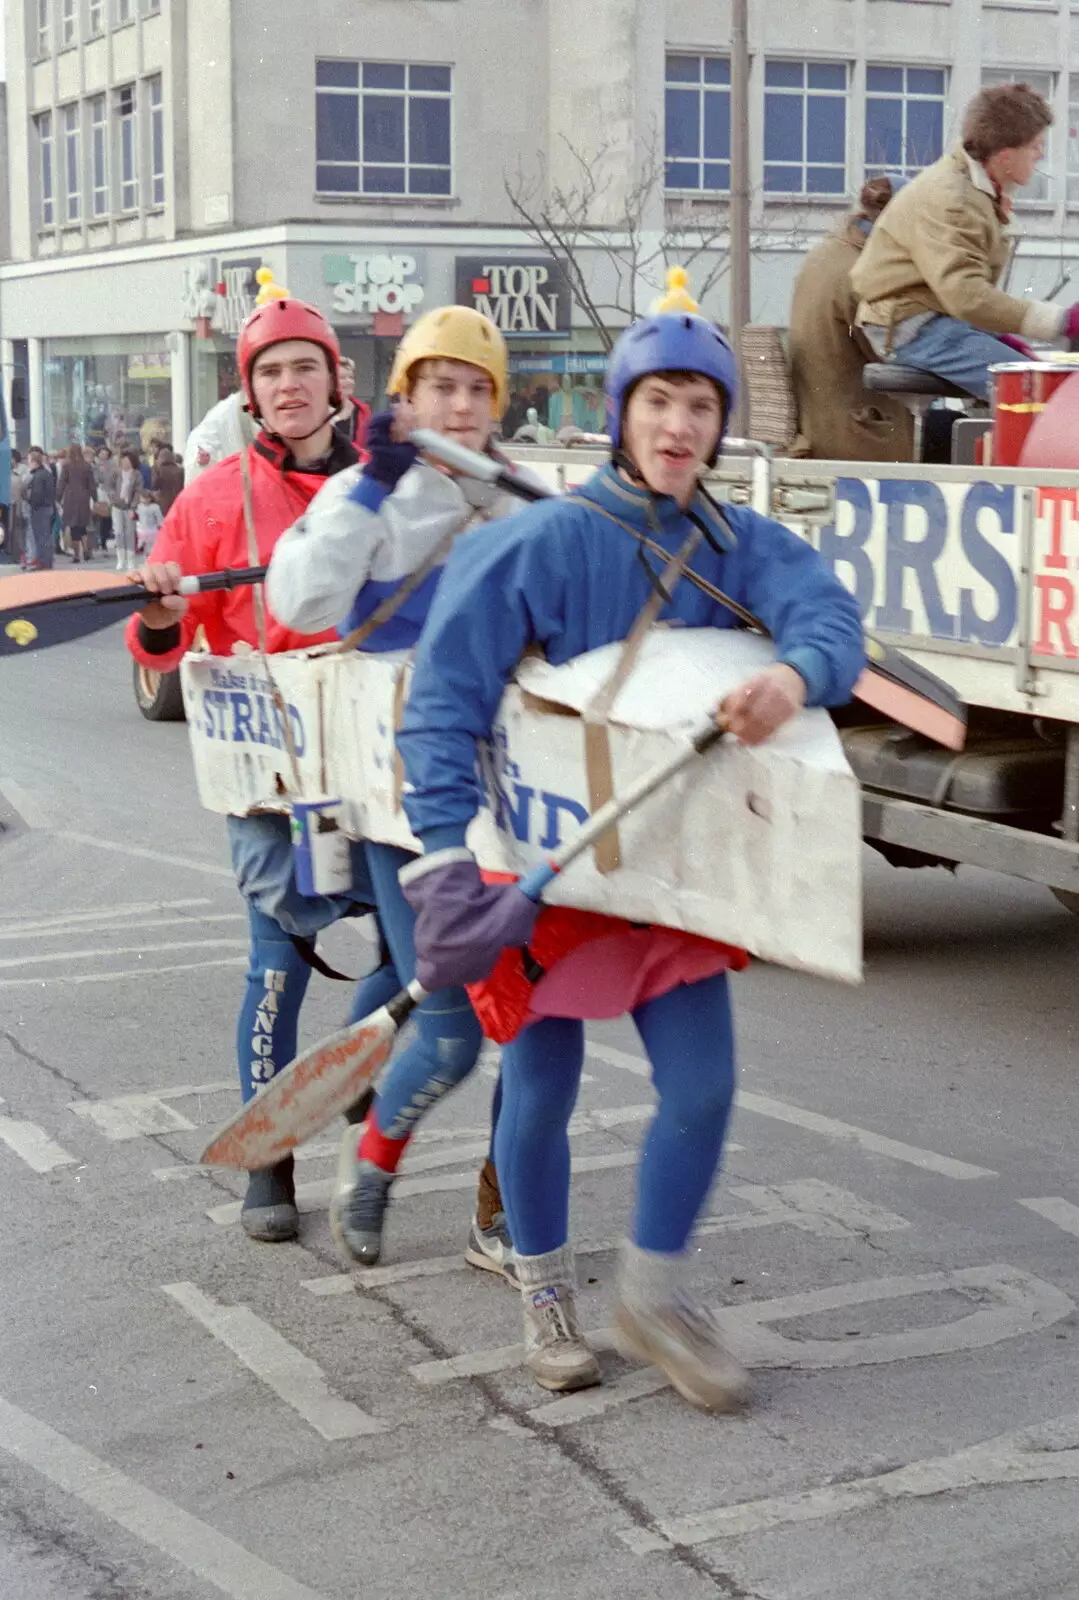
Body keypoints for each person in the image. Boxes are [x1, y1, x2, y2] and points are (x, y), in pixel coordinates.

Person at [394, 277, 865, 1406]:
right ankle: (542, 1287)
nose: (678, 427)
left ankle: (651, 1295)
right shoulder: (541, 542)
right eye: (658, 400)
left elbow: (830, 618)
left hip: (665, 868)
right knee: (540, 1088)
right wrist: (445, 855)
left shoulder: (735, 541)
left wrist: (793, 670)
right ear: (620, 411)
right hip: (545, 866)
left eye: (701, 406)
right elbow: (443, 701)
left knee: (702, 1087)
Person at [125, 279, 396, 1244]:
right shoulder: (207, 499)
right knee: (274, 965)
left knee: (421, 959)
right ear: (250, 393)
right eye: (271, 372)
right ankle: (266, 1161)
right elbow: (156, 644)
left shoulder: (394, 483)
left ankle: (355, 1065)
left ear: (337, 381)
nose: (289, 386)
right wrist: (160, 607)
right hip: (275, 772)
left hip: (382, 761)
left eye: (304, 369)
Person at [267, 304, 535, 1278]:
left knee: (534, 1030)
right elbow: (297, 602)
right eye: (441, 387)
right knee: (456, 1032)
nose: (458, 408)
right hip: (398, 799)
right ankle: (370, 1157)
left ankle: (506, 1209)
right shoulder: (361, 489)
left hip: (515, 806)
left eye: (476, 390)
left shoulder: (521, 504)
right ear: (406, 395)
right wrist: (372, 486)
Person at [852, 82, 1079, 401]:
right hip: (916, 327)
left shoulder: (973, 185)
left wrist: (998, 334)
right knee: (1038, 396)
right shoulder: (953, 198)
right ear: (1004, 157)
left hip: (931, 318)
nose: (1041, 155)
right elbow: (966, 295)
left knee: (1033, 384)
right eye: (1035, 146)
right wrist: (1060, 321)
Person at [789, 176, 915, 461]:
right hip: (859, 438)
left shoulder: (828, 254)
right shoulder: (866, 275)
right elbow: (901, 357)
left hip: (818, 425)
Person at [58, 442, 98, 563]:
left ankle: (76, 555)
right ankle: (86, 551)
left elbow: (61, 483)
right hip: (84, 497)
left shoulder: (66, 466)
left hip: (71, 497)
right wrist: (95, 498)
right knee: (83, 526)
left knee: (74, 526)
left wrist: (57, 498)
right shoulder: (86, 465)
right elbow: (92, 484)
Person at [107, 449, 141, 571]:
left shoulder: (136, 474)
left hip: (129, 507)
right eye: (123, 461)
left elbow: (138, 491)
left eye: (127, 461)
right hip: (117, 506)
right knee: (118, 532)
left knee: (130, 533)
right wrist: (112, 497)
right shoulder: (116, 472)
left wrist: (133, 506)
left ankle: (131, 560)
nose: (125, 463)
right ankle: (120, 559)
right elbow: (109, 486)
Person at [24, 447, 56, 570]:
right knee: (45, 536)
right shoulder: (45, 473)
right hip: (47, 507)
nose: (27, 463)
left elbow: (37, 494)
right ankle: (46, 561)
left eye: (29, 460)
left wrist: (31, 503)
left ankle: (43, 562)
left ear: (34, 462)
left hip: (40, 509)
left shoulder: (37, 476)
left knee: (40, 536)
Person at [151, 446, 184, 516]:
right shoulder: (180, 470)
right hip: (178, 501)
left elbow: (155, 486)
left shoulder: (160, 470)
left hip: (164, 503)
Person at [135, 488, 164, 555]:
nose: (143, 500)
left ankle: (150, 555)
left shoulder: (155, 507)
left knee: (151, 543)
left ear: (150, 498)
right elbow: (137, 515)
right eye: (142, 498)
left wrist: (161, 525)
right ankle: (142, 548)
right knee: (142, 540)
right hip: (142, 528)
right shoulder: (139, 506)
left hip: (152, 528)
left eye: (145, 498)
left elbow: (159, 517)